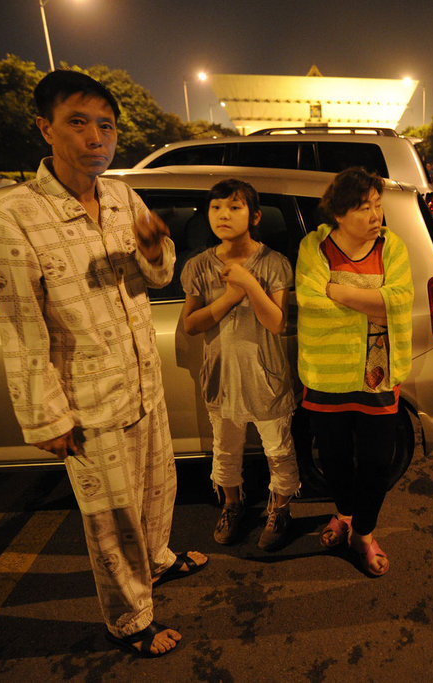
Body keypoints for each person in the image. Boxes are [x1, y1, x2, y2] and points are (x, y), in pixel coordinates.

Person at [0, 70, 208, 658]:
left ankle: (157, 561)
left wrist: (157, 249)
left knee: (159, 489)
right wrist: (46, 417)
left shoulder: (121, 197)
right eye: (78, 123)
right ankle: (130, 618)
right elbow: (20, 324)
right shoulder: (15, 217)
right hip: (88, 402)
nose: (95, 138)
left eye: (105, 126)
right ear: (45, 128)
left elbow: (157, 277)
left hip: (141, 380)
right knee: (111, 519)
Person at [295, 167, 414, 577]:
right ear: (340, 213)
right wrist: (371, 301)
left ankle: (363, 532)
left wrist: (339, 291)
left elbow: (399, 300)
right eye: (364, 207)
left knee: (378, 462)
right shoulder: (314, 246)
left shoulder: (391, 247)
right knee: (334, 458)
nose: (375, 215)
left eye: (378, 206)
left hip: (378, 375)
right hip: (326, 375)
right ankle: (343, 515)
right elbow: (311, 302)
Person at [179, 179, 299, 550]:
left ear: (255, 215)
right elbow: (191, 324)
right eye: (215, 208)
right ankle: (233, 504)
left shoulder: (274, 263)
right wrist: (230, 297)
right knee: (225, 448)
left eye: (234, 207)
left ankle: (279, 508)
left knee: (278, 448)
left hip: (265, 374)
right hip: (222, 374)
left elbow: (276, 322)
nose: (223, 215)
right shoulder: (199, 266)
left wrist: (248, 282)